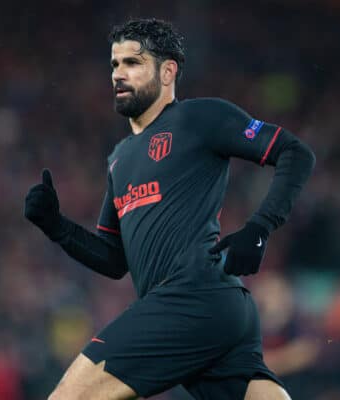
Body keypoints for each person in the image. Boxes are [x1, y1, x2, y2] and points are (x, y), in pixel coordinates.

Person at [24, 18, 315, 400]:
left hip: (193, 295)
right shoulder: (119, 159)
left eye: (132, 63)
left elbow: (295, 153)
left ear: (167, 71)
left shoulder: (200, 117)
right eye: (114, 64)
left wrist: (259, 227)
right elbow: (114, 260)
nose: (118, 74)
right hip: (218, 313)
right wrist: (58, 227)